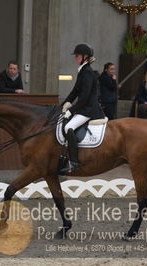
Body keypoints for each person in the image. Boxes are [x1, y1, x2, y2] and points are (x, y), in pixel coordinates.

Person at [60, 43, 105, 173]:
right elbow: (74, 92)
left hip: (89, 109)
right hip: (84, 107)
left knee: (68, 128)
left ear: (85, 57)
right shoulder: (82, 71)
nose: (75, 58)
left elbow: (84, 97)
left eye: (77, 56)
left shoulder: (88, 73)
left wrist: (71, 111)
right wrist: (63, 104)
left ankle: (73, 162)